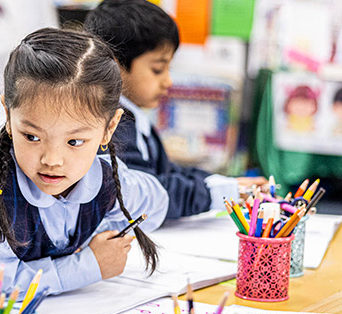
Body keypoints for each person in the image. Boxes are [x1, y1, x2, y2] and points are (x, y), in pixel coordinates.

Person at [0, 28, 168, 295]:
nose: (52, 160)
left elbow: (156, 203)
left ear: (110, 127)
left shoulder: (106, 178)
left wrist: (106, 228)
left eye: (74, 142)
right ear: (8, 116)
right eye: (32, 136)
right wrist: (89, 264)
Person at [85, 0, 266, 219]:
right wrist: (218, 193)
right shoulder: (112, 128)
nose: (168, 81)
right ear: (113, 65)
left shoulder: (135, 118)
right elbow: (148, 193)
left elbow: (168, 172)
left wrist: (225, 184)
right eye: (158, 69)